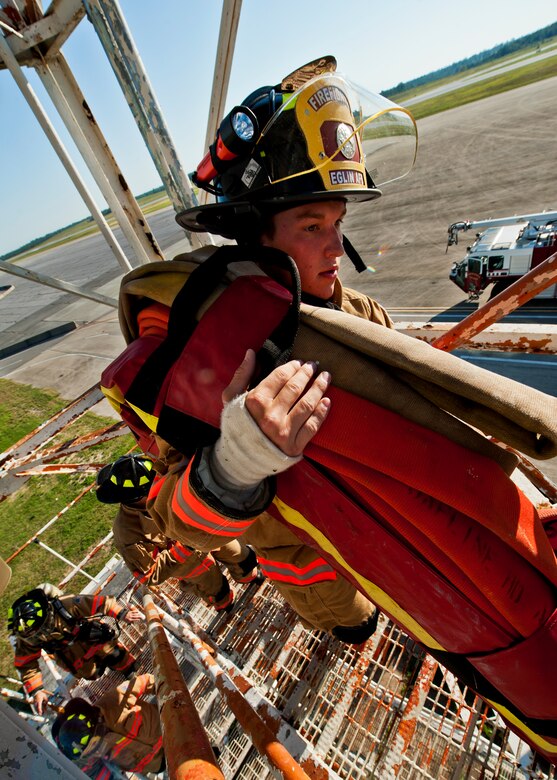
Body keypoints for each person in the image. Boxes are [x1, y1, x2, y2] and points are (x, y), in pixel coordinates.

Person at [144, 57, 418, 642]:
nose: (337, 248)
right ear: (258, 238)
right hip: (318, 578)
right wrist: (231, 466)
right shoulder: (209, 350)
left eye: (339, 223)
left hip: (399, 553)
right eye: (312, 227)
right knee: (357, 632)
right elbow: (179, 520)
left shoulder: (360, 313)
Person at [96, 454, 260, 612]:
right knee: (215, 588)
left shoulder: (167, 479)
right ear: (137, 497)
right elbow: (150, 575)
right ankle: (225, 603)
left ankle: (248, 577)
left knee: (241, 555)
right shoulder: (127, 533)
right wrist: (186, 545)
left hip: (207, 533)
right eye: (155, 484)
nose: (161, 485)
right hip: (191, 563)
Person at [8, 583, 141, 714]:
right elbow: (25, 664)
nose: (39, 637)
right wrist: (37, 690)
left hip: (91, 637)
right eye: (34, 636)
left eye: (40, 631)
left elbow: (99, 603)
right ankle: (101, 668)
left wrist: (122, 613)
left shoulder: (66, 605)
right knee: (91, 673)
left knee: (115, 655)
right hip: (70, 655)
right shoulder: (27, 635)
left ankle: (127, 668)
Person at [51, 672, 164, 778]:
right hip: (158, 764)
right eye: (93, 748)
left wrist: (168, 692)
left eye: (96, 738)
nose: (97, 746)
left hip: (170, 728)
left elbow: (143, 681)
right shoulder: (86, 755)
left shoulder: (113, 703)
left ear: (96, 720)